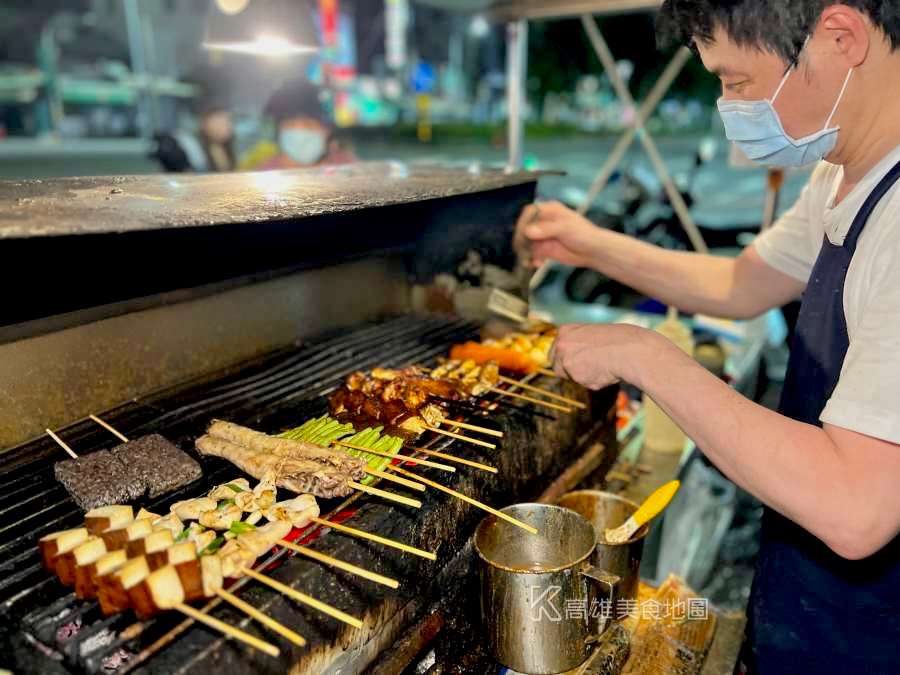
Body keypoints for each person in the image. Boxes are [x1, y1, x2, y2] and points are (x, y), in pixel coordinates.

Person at [516, 2, 900, 672]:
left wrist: (644, 355)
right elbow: (739, 284)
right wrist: (589, 244)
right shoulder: (843, 172)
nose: (730, 107)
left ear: (840, 38)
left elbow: (855, 506)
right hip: (806, 609)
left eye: (737, 82)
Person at [241, 77, 355, 171]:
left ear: (326, 131)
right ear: (279, 133)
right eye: (290, 125)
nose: (299, 134)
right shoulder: (267, 175)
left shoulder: (346, 168)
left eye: (308, 125)